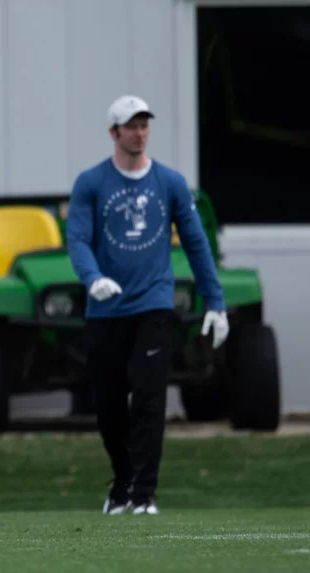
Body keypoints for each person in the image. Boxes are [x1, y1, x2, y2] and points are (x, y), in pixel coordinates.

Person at [65, 95, 230, 516]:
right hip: (105, 310)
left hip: (154, 305)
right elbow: (79, 239)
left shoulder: (170, 183)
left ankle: (145, 494)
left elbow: (195, 242)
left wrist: (216, 300)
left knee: (149, 397)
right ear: (114, 132)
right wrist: (93, 277)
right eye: (130, 126)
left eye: (144, 125)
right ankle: (122, 483)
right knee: (108, 406)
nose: (139, 133)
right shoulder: (91, 182)